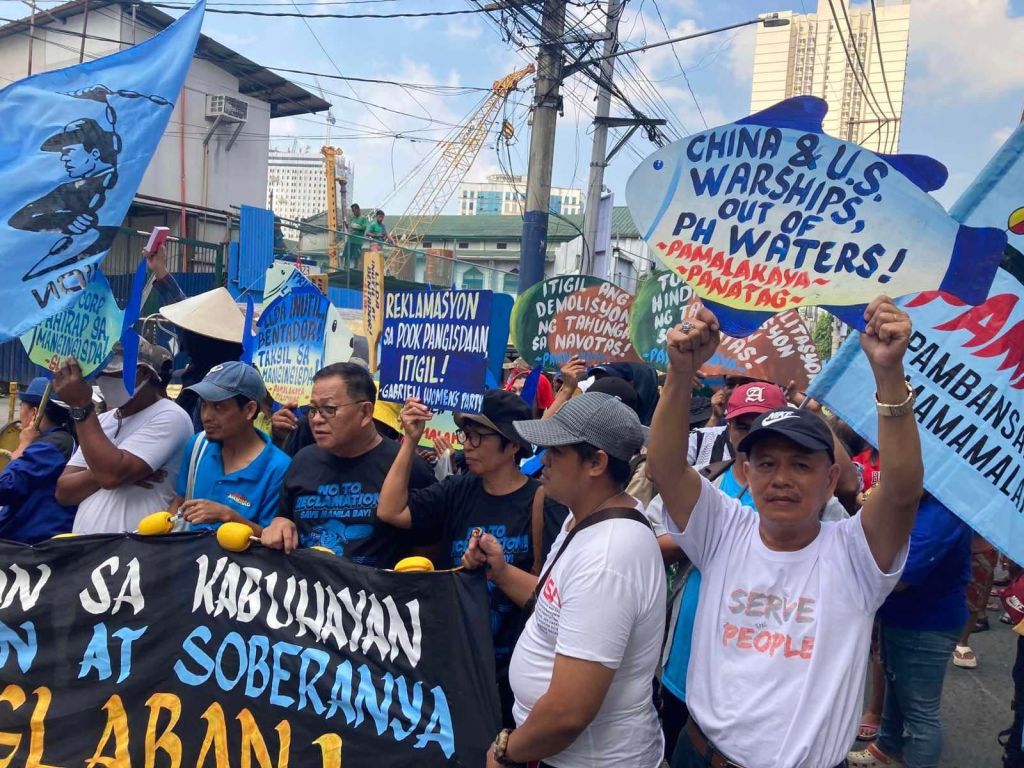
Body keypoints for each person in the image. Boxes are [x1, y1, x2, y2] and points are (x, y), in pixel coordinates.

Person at [648, 296, 922, 768]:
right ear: (745, 471)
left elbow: (900, 491)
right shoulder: (724, 530)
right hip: (697, 754)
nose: (781, 478)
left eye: (801, 465)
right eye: (768, 463)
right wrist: (679, 374)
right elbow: (666, 466)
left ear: (831, 479)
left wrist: (889, 375)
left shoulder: (856, 554)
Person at [463, 392, 665, 768]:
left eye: (556, 451)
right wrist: (501, 571)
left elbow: (568, 712)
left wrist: (507, 751)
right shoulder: (583, 519)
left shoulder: (608, 556)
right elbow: (552, 605)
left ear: (596, 462)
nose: (543, 462)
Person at [377, 389, 544, 727]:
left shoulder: (541, 502)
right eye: (465, 434)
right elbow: (390, 510)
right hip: (451, 665)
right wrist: (410, 441)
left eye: (479, 436)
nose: (467, 444)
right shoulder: (457, 489)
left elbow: (548, 594)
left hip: (510, 673)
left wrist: (498, 569)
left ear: (512, 444)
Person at [260, 362, 434, 564]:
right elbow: (284, 517)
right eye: (313, 409)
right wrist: (280, 523)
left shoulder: (409, 468)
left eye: (329, 409)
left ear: (365, 412)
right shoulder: (302, 461)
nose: (316, 419)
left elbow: (429, 548)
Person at [848, 495, 971, 768]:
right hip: (902, 616)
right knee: (896, 686)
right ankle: (886, 748)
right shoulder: (919, 501)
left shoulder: (945, 511)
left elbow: (902, 575)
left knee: (920, 714)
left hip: (926, 624)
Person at [55, 339, 194, 534]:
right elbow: (64, 491)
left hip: (135, 555)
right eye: (100, 373)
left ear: (144, 373)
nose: (104, 379)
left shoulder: (170, 416)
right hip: (86, 550)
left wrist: (81, 407)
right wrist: (105, 474)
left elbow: (112, 474)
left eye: (114, 373)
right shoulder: (102, 421)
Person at [168, 362, 291, 535]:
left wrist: (228, 516)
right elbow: (179, 501)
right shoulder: (198, 445)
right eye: (204, 405)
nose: (206, 416)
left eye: (218, 407)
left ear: (249, 410)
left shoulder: (278, 468)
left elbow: (271, 538)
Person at [0, 377, 77, 543]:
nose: (19, 413)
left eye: (21, 406)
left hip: (30, 541)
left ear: (34, 413)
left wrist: (23, 445)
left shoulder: (49, 447)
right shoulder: (63, 439)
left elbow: (5, 488)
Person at [345, 203, 369, 267]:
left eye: (354, 210)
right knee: (347, 254)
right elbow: (350, 228)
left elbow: (364, 228)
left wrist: (356, 227)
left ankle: (355, 268)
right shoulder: (352, 218)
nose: (353, 212)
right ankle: (346, 267)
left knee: (356, 256)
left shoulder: (363, 218)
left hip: (358, 240)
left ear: (358, 210)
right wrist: (347, 225)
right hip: (351, 239)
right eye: (352, 211)